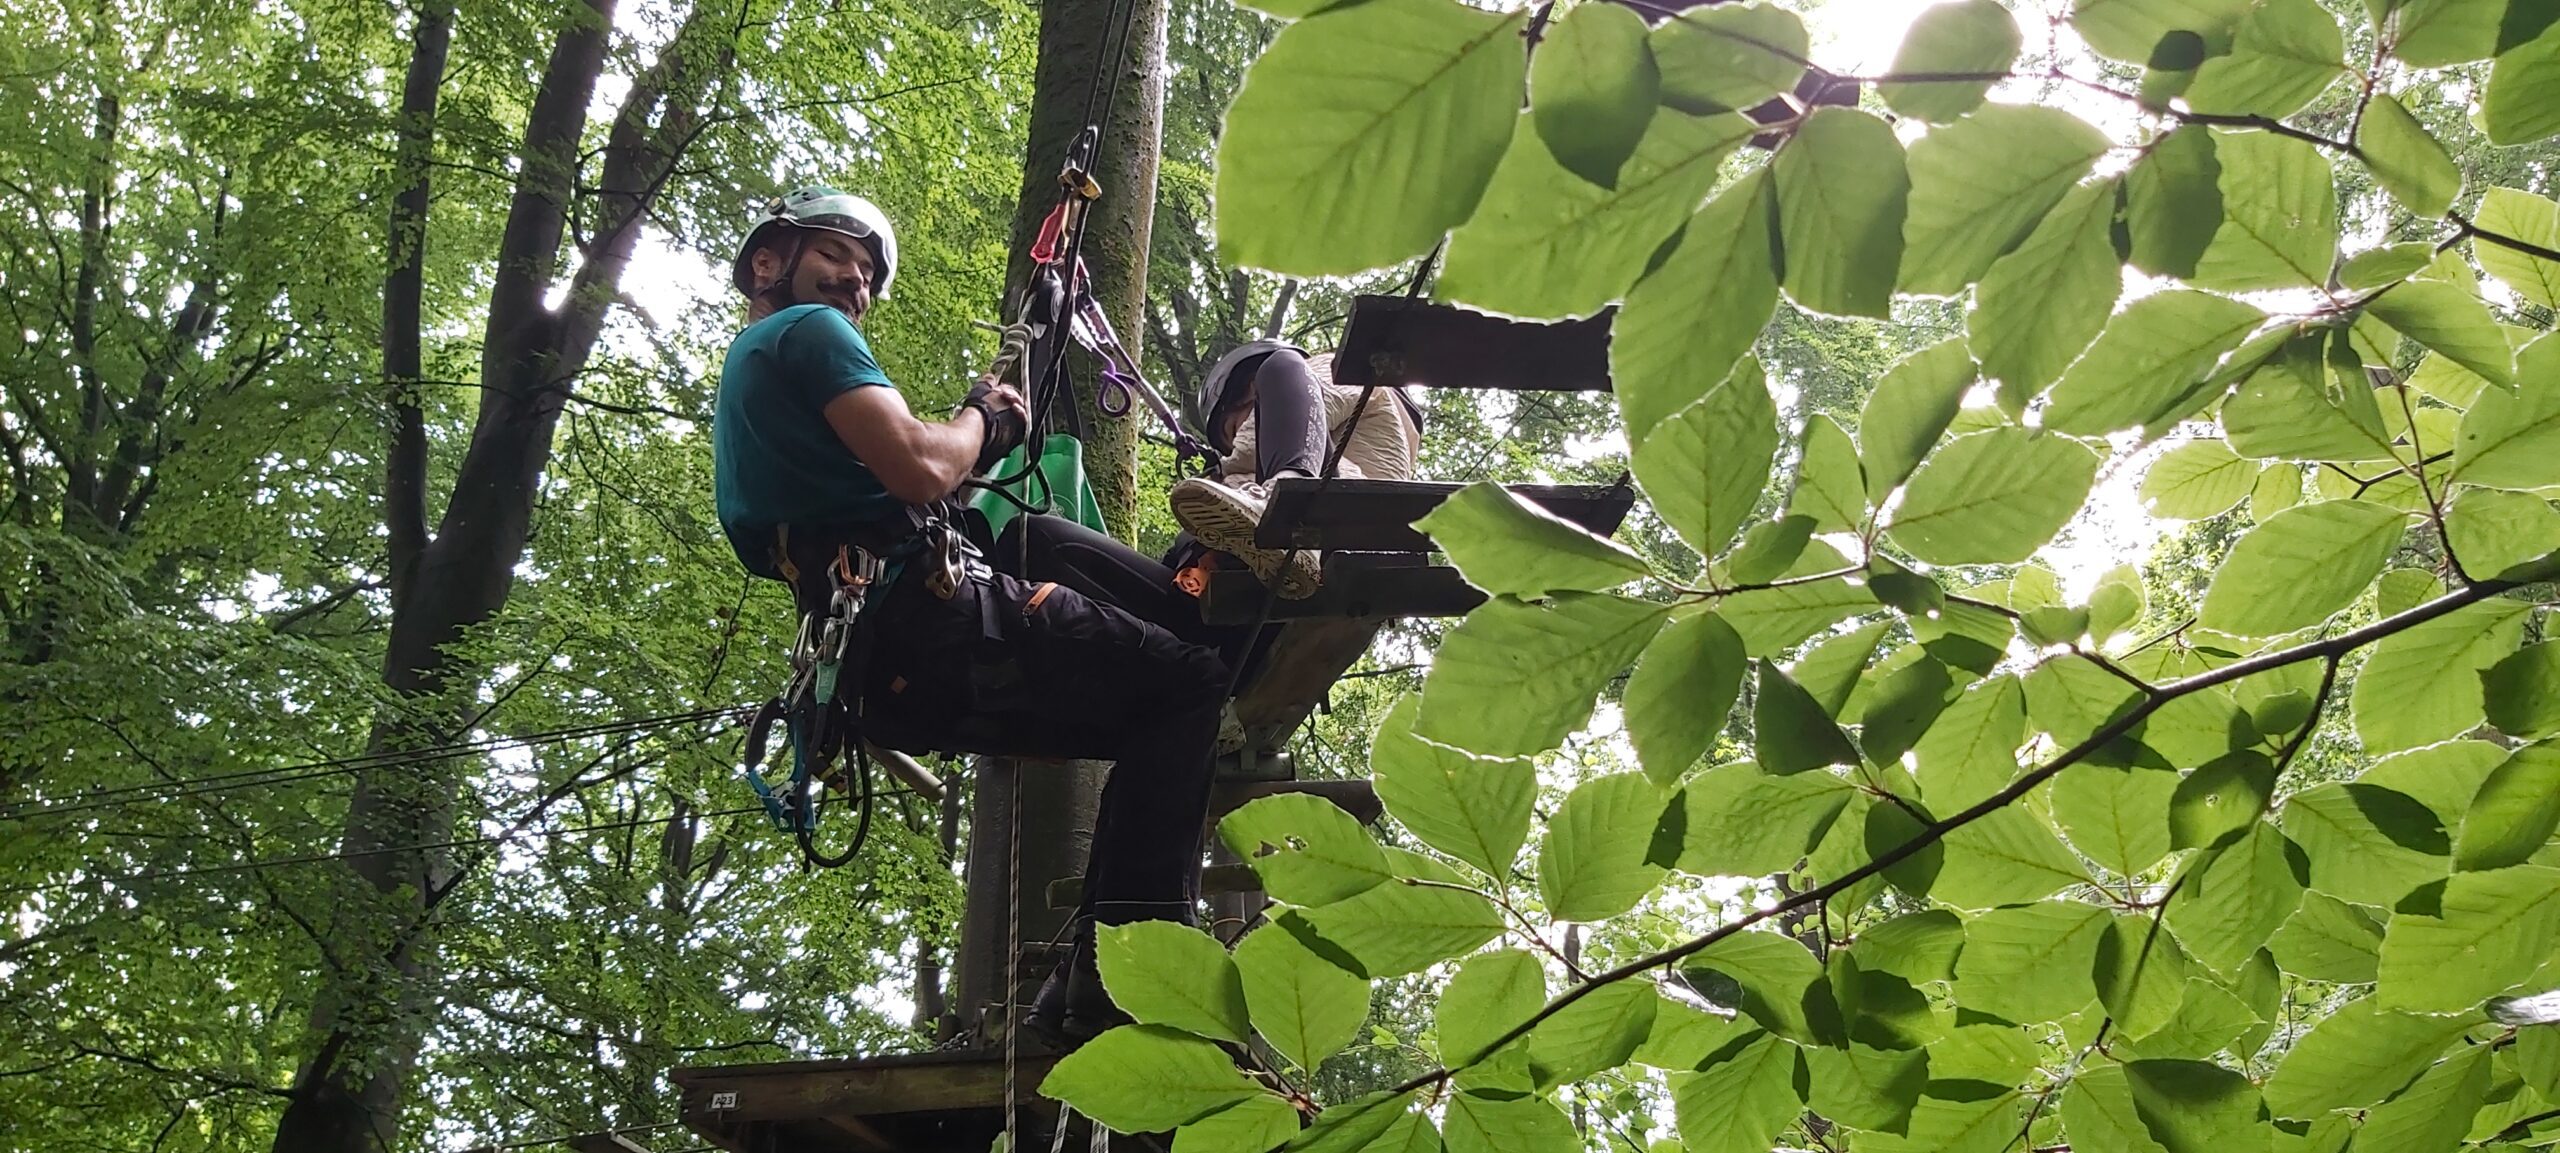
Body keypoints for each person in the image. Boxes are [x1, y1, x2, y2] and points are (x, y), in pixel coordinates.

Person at [710, 186, 1235, 1045]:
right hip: (939, 622)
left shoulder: (754, 399)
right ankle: (1134, 971)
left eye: (867, 272)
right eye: (837, 253)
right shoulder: (806, 332)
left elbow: (910, 494)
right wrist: (981, 419)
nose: (855, 281)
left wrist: (979, 438)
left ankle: (1082, 983)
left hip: (888, 676)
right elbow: (922, 465)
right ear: (768, 261)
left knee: (1142, 699)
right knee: (1191, 684)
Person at [1166, 340, 1425, 599]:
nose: (1236, 445)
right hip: (1309, 546)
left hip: (1333, 521)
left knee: (1283, 364)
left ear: (1252, 387)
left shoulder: (1323, 371)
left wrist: (1220, 475)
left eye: (1234, 429)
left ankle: (1287, 514)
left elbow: (1253, 445)